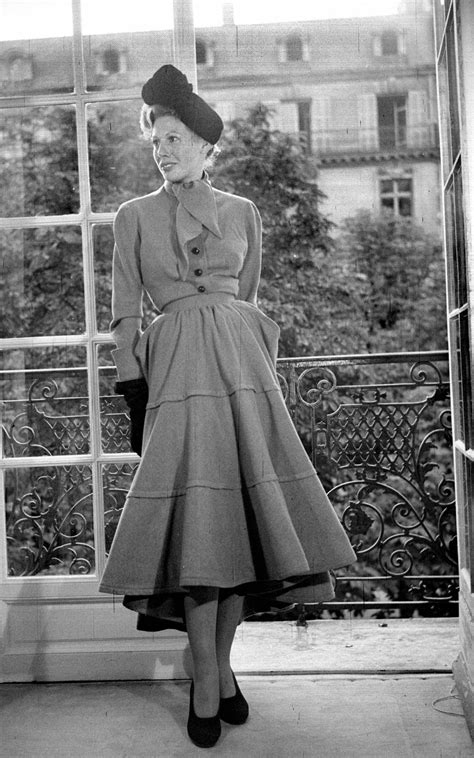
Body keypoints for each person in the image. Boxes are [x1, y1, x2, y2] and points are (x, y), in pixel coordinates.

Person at [99, 64, 356, 749]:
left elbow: (244, 292)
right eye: (157, 140)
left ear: (208, 145)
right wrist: (133, 388)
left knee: (239, 527)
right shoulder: (132, 218)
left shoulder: (243, 212)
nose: (164, 150)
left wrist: (245, 350)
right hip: (176, 373)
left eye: (176, 138)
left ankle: (222, 673)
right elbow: (125, 315)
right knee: (196, 527)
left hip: (242, 372)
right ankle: (206, 679)